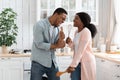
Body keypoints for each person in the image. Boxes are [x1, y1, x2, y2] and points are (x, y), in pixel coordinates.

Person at [30, 7, 67, 80]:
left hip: (52, 62)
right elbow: (39, 44)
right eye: (62, 18)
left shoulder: (57, 28)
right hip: (38, 62)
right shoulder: (39, 25)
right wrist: (57, 45)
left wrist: (61, 38)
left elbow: (56, 44)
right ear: (56, 14)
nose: (63, 21)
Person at [66, 12, 97, 80]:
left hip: (86, 62)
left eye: (76, 18)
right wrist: (69, 43)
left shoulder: (86, 32)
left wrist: (72, 65)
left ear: (82, 21)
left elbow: (80, 51)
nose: (74, 20)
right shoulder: (76, 32)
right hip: (77, 62)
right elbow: (75, 48)